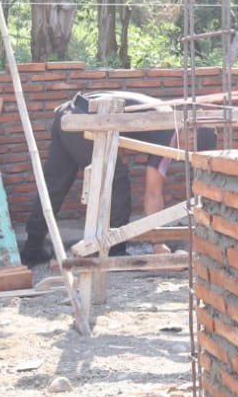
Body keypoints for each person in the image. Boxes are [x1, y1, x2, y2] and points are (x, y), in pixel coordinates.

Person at [22, 90, 213, 265]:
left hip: (69, 112)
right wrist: (158, 243)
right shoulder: (169, 131)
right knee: (116, 181)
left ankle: (32, 248)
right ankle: (115, 251)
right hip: (86, 121)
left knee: (54, 185)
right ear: (191, 136)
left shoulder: (167, 113)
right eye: (190, 150)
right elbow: (153, 193)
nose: (183, 152)